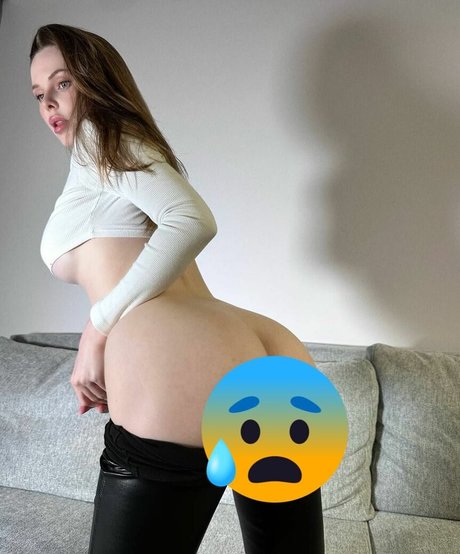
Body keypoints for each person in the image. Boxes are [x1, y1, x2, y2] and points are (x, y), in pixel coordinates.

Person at [29, 23, 325, 554]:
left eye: (63, 83)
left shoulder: (100, 136)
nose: (50, 103)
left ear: (95, 81)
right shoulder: (124, 152)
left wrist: (98, 327)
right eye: (38, 94)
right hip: (268, 349)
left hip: (176, 360)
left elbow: (192, 220)